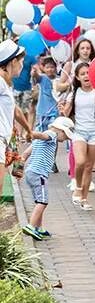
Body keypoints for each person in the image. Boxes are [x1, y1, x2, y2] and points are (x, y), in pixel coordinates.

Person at [60, 62, 95, 211]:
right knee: (81, 162)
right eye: (82, 74)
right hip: (79, 131)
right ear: (77, 77)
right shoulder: (74, 93)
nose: (86, 76)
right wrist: (63, 108)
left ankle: (84, 198)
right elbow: (66, 113)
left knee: (89, 167)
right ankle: (77, 186)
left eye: (88, 73)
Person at [20, 117, 75, 240]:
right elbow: (41, 136)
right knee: (43, 201)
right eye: (66, 136)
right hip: (39, 173)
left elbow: (25, 153)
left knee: (39, 200)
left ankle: (39, 228)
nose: (65, 139)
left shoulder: (43, 140)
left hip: (31, 172)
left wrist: (20, 165)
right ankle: (31, 226)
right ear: (60, 130)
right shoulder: (52, 135)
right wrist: (32, 133)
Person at [0, 41, 32, 193]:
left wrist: (28, 129)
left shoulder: (6, 84)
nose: (22, 65)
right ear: (13, 61)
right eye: (21, 61)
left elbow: (16, 110)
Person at [31, 57, 59, 133]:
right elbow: (37, 77)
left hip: (54, 111)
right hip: (42, 111)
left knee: (53, 133)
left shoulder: (58, 80)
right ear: (43, 68)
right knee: (41, 133)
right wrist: (35, 72)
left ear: (56, 68)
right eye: (47, 67)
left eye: (52, 67)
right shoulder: (43, 78)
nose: (50, 69)